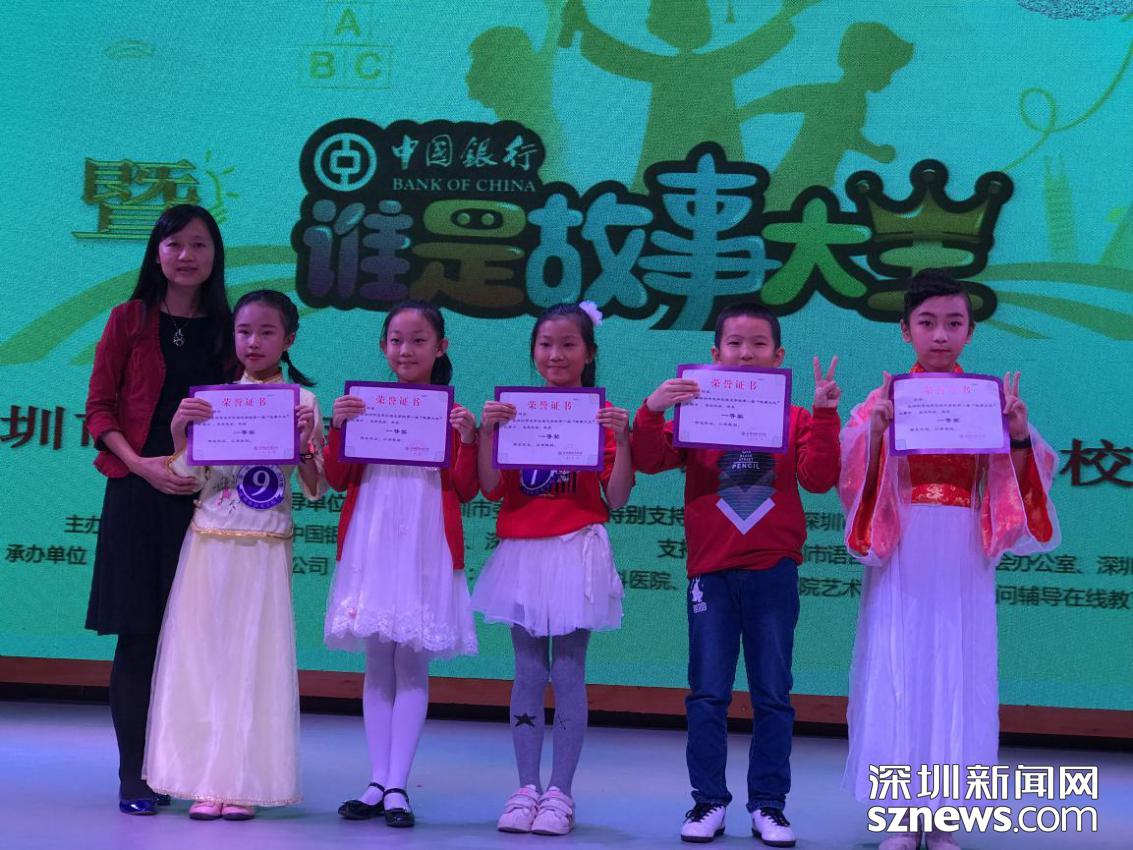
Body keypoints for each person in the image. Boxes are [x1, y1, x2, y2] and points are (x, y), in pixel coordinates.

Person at [838, 271, 1060, 850]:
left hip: (963, 544)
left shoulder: (990, 401)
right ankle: (898, 814)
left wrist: (1017, 434)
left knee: (958, 670)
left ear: (970, 331)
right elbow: (851, 471)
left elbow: (1030, 473)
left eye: (953, 323)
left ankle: (942, 816)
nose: (940, 335)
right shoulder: (882, 402)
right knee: (898, 666)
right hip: (903, 541)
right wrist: (876, 435)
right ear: (905, 329)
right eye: (928, 323)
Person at [631, 303, 841, 845]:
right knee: (707, 694)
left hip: (773, 571)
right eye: (734, 344)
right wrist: (652, 410)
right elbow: (649, 460)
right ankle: (708, 802)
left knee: (773, 694)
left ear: (778, 354)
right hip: (711, 571)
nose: (746, 354)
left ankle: (769, 805)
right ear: (715, 352)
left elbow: (819, 479)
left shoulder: (795, 418)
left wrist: (823, 414)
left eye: (758, 344)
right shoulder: (697, 413)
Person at [143, 290, 325, 820]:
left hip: (265, 543)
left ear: (289, 339)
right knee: (201, 658)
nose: (254, 342)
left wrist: (305, 444)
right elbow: (188, 476)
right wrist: (180, 433)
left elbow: (316, 487)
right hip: (208, 540)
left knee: (256, 661)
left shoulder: (303, 403)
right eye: (245, 331)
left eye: (267, 332)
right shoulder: (214, 398)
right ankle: (203, 780)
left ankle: (242, 782)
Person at [84, 204, 233, 815]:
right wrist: (140, 463)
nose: (186, 256)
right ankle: (134, 774)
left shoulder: (229, 327)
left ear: (215, 255)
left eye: (199, 244)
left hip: (206, 501)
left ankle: (185, 766)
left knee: (197, 638)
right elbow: (99, 408)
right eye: (174, 244)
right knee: (138, 636)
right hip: (137, 494)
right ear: (157, 252)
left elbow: (248, 411)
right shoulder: (130, 319)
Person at [472, 301, 633, 836]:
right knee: (526, 671)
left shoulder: (601, 419)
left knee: (566, 671)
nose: (555, 355)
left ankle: (560, 793)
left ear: (590, 353)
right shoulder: (514, 412)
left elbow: (617, 497)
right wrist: (488, 434)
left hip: (575, 549)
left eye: (568, 345)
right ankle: (525, 789)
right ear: (533, 352)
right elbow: (490, 487)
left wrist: (624, 439)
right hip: (523, 551)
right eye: (545, 344)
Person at [324, 300, 479, 828]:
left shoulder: (452, 415)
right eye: (395, 340)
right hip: (371, 537)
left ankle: (397, 785)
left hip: (424, 540)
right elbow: (336, 477)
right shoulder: (363, 406)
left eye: (418, 340)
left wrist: (468, 439)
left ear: (441, 347)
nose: (405, 350)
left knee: (411, 664)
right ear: (383, 346)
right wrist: (339, 427)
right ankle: (376, 779)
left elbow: (468, 487)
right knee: (376, 663)